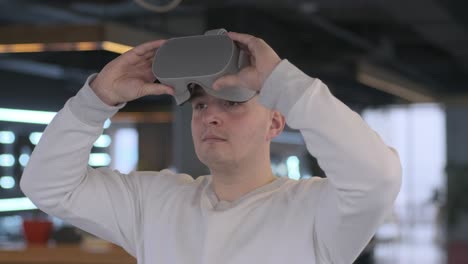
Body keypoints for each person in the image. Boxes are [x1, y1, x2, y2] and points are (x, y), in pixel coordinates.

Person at [21, 31, 402, 264]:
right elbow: (48, 186)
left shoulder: (317, 212)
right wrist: (96, 99)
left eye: (232, 103)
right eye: (200, 105)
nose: (210, 116)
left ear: (275, 122)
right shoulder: (154, 202)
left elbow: (377, 178)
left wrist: (288, 85)